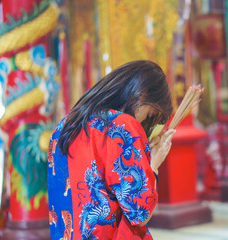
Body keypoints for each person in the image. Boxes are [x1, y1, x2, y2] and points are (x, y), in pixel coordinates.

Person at [47, 60, 176, 240]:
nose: (145, 122)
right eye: (150, 114)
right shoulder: (122, 126)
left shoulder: (65, 126)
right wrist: (153, 164)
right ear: (143, 94)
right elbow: (140, 214)